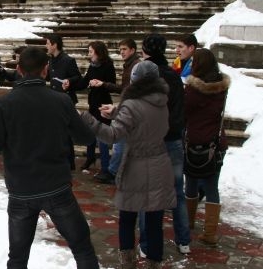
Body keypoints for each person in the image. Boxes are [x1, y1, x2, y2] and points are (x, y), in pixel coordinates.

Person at [0, 47, 121, 269]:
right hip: (56, 188)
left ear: (18, 70)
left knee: (18, 257)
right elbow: (83, 137)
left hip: (21, 192)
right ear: (45, 71)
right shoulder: (59, 101)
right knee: (82, 248)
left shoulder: (4, 105)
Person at [82, 60, 176, 269]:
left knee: (127, 218)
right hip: (159, 163)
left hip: (136, 166)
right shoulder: (162, 101)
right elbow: (145, 121)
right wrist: (117, 112)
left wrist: (90, 121)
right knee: (154, 224)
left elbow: (114, 136)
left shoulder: (132, 104)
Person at [138, 34, 191, 255]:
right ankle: (183, 240)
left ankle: (147, 243)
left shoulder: (145, 76)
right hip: (173, 139)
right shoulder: (173, 75)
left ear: (147, 51)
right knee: (177, 192)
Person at [183, 48, 231, 247]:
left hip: (194, 141)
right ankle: (210, 232)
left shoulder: (193, 90)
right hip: (215, 142)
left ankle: (188, 222)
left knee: (191, 184)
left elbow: (184, 112)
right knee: (212, 187)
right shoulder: (222, 88)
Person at [98, 38, 140, 183]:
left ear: (133, 50)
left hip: (129, 109)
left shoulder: (136, 66)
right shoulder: (129, 65)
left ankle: (113, 171)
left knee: (119, 142)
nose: (121, 52)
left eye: (124, 49)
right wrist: (104, 84)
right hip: (125, 106)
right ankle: (114, 170)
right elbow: (124, 88)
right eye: (120, 49)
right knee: (119, 142)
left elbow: (131, 91)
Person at [74, 41, 116, 174]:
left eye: (91, 51)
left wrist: (101, 83)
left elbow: (112, 84)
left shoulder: (108, 66)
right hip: (93, 104)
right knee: (90, 133)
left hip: (103, 105)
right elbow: (84, 82)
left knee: (102, 138)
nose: (89, 54)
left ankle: (105, 167)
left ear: (98, 52)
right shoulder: (92, 66)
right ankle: (90, 158)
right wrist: (70, 84)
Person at [44, 34, 81, 170]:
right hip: (54, 99)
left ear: (54, 45)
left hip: (66, 100)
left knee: (65, 133)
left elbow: (78, 77)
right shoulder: (51, 60)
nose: (46, 46)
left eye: (48, 43)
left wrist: (69, 81)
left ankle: (69, 162)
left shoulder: (68, 60)